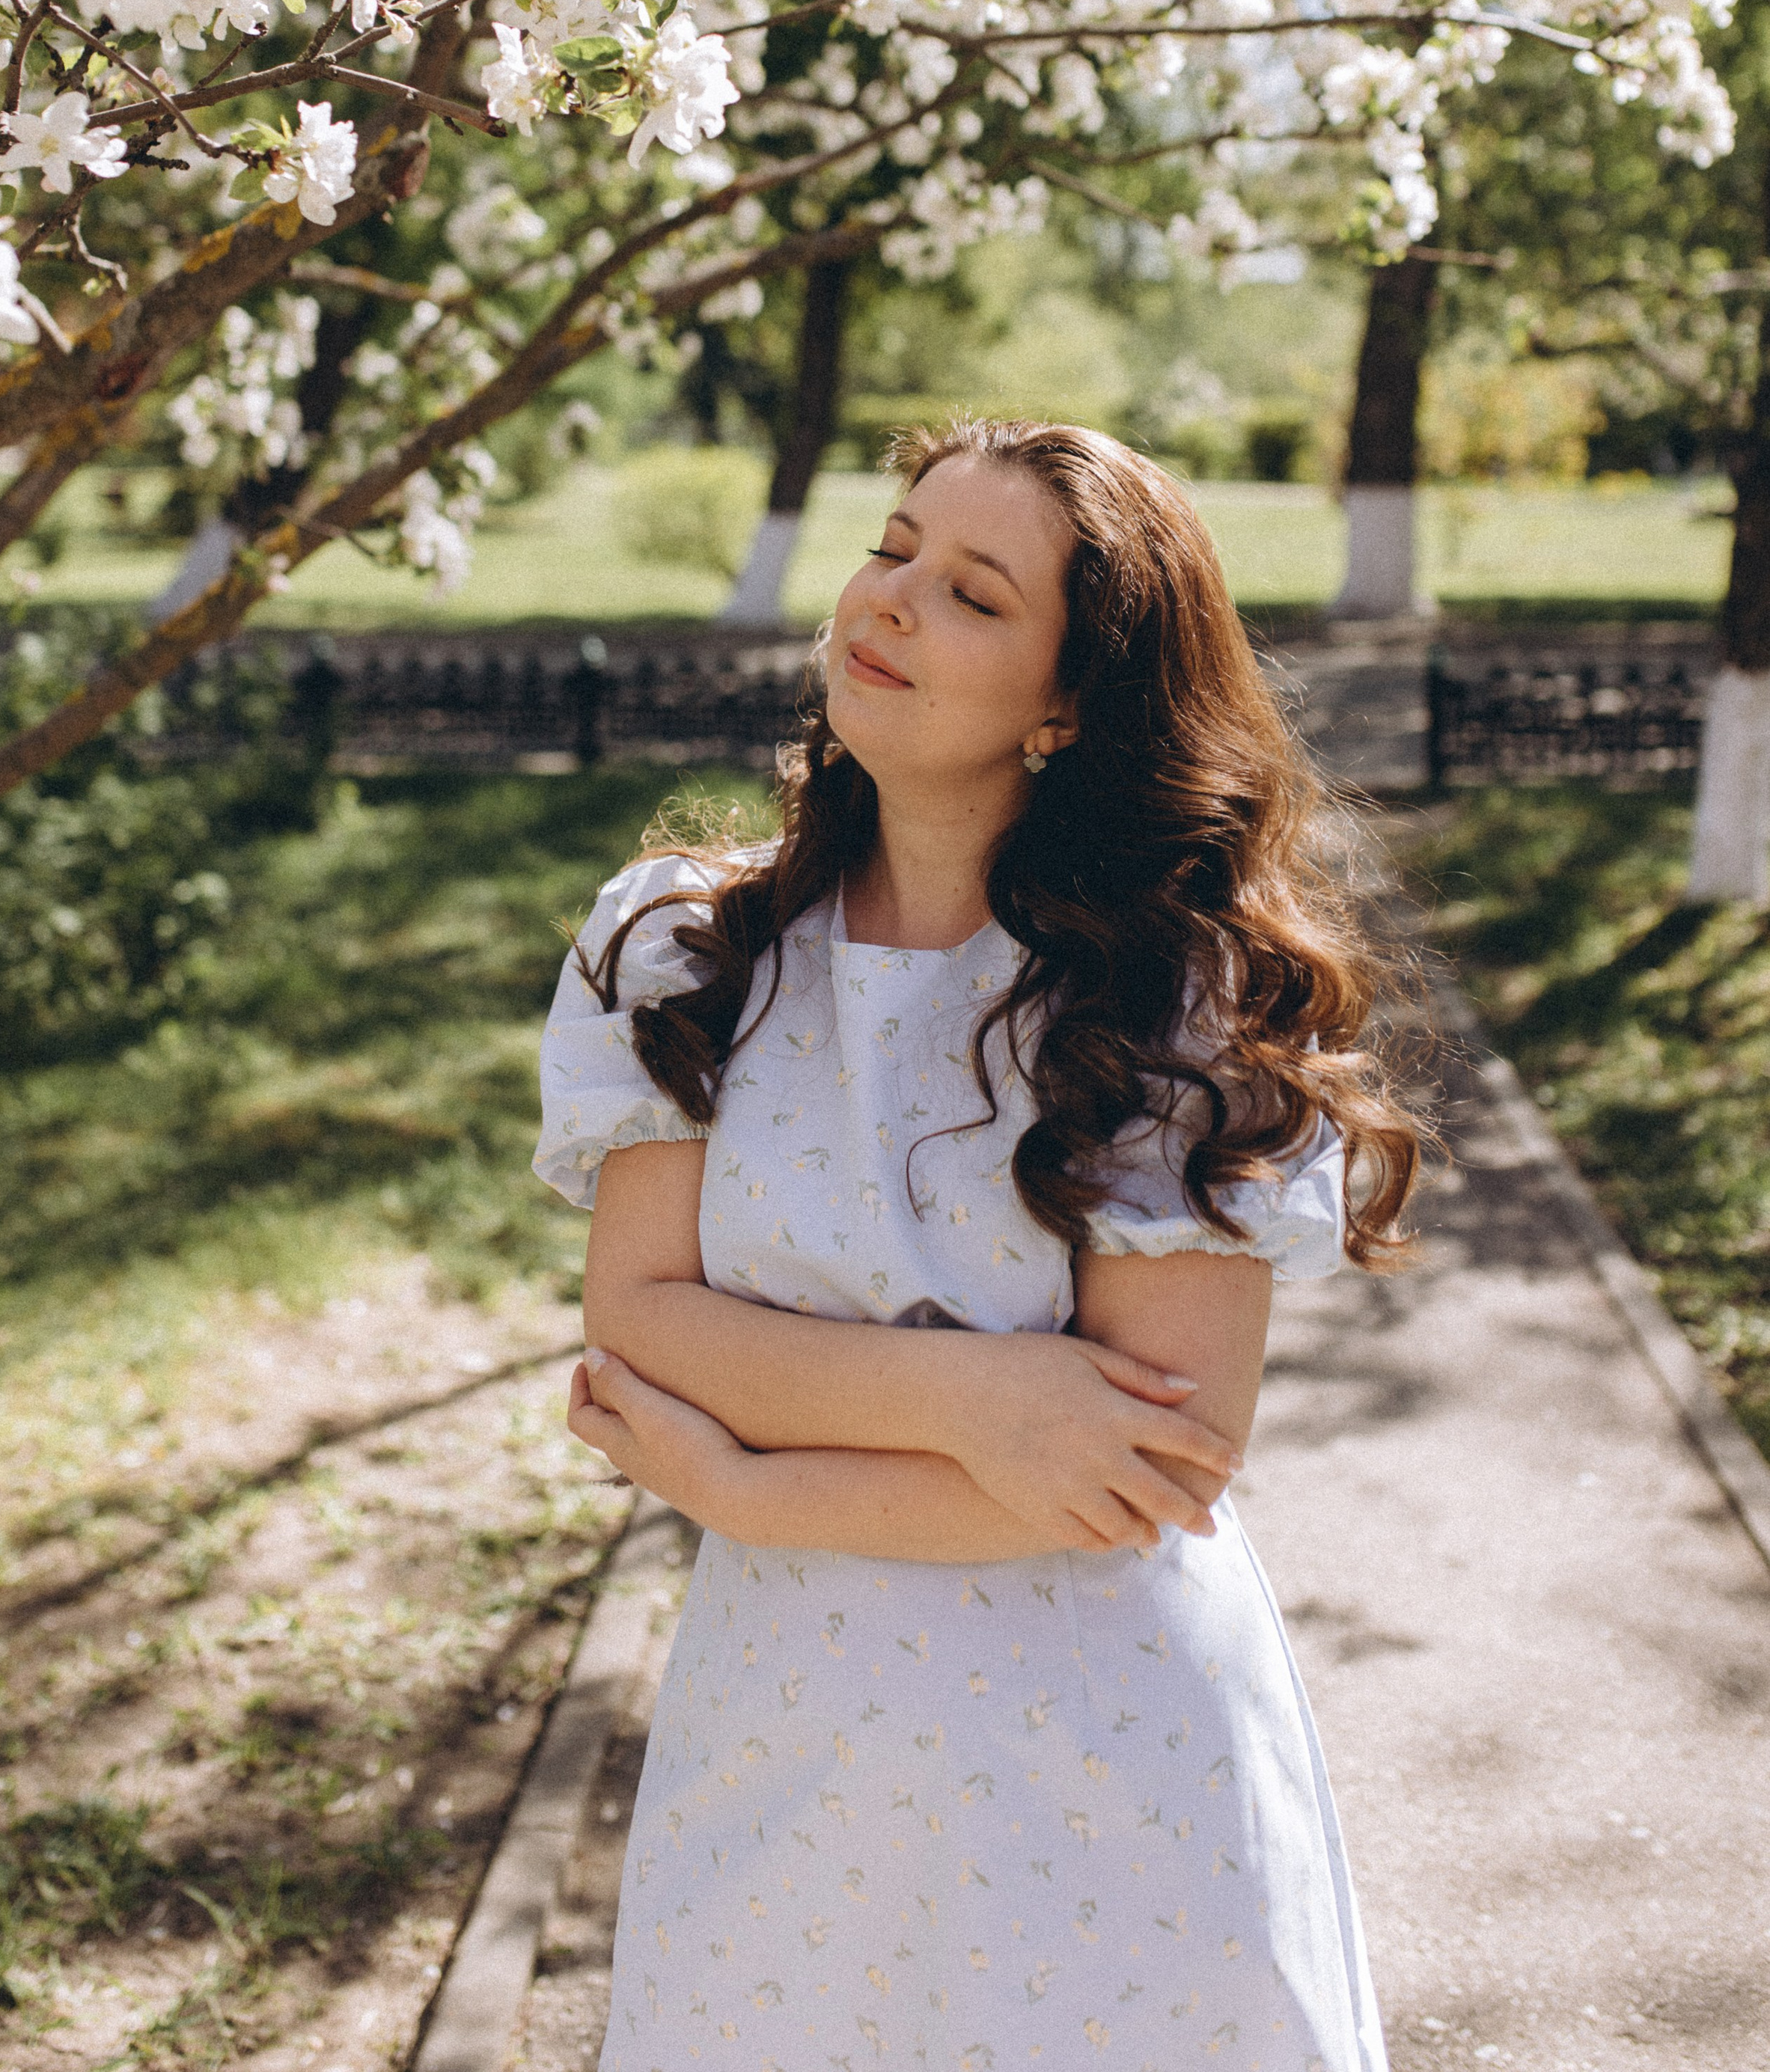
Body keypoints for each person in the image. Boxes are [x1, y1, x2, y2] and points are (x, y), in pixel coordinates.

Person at [535, 416, 1419, 2072]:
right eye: (892, 548)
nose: (888, 598)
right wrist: (985, 1404)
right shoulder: (682, 947)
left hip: (1110, 1761)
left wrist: (749, 1474)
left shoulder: (1171, 993)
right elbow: (640, 1322)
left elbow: (1150, 1464)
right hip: (780, 1737)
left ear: (1066, 702)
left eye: (972, 591)